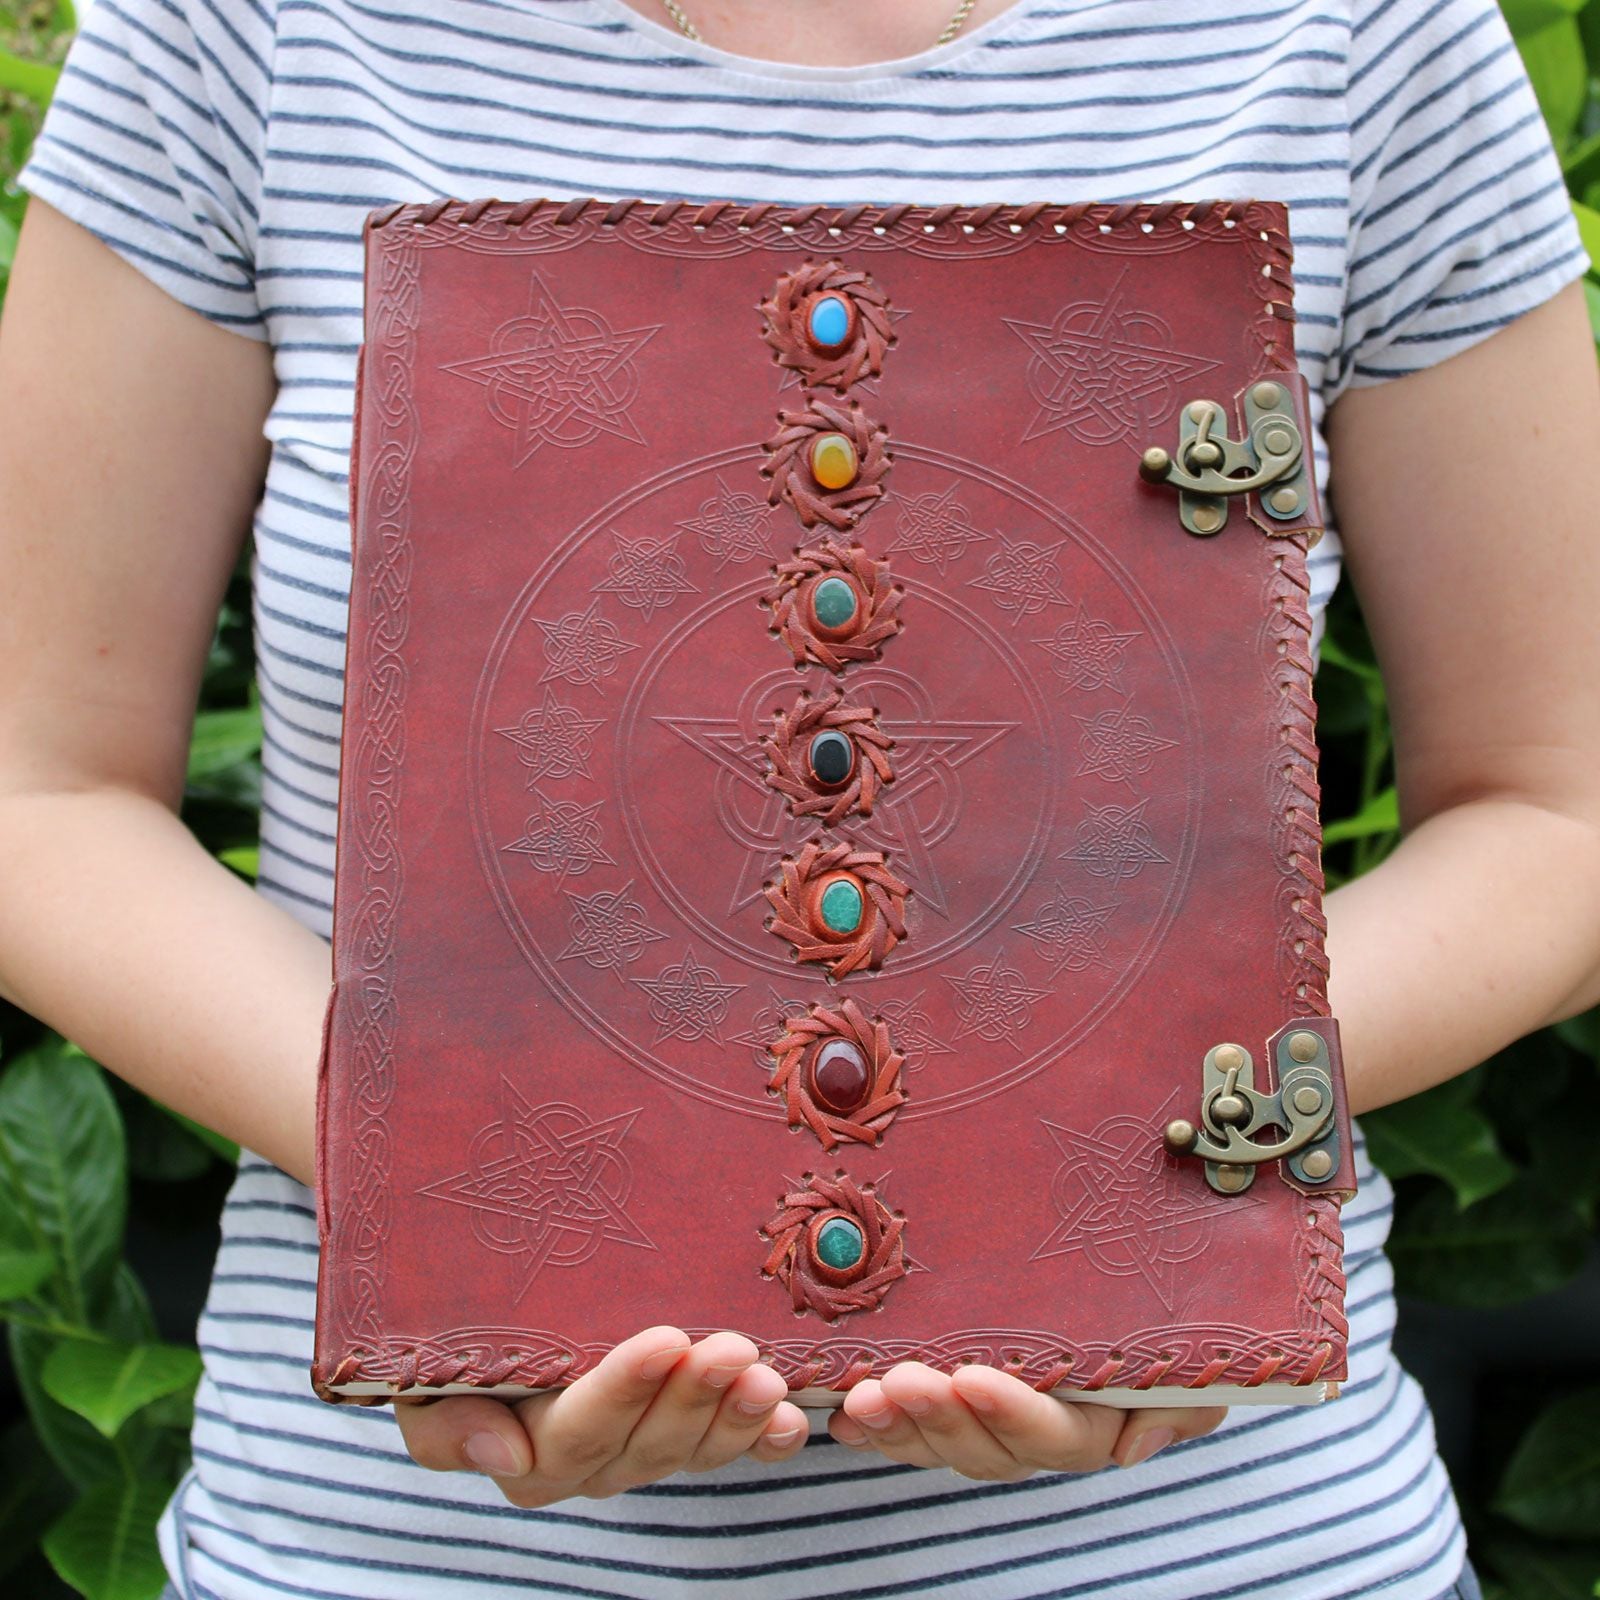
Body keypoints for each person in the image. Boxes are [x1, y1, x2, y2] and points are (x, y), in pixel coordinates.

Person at [1, 0, 1596, 1595]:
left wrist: (1133, 1162)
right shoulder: (247, 29)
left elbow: (1558, 817)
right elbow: (39, 793)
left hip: (1239, 1551)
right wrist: (450, 1176)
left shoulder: (1358, 31)